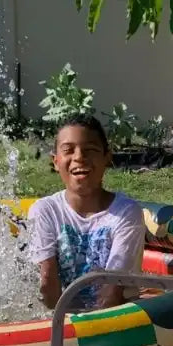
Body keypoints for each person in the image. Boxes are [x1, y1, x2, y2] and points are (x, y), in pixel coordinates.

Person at [27, 114, 145, 311]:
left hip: (113, 317)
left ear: (107, 157)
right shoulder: (45, 211)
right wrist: (58, 325)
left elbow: (112, 290)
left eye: (90, 150)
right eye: (68, 150)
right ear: (55, 161)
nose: (79, 157)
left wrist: (87, 328)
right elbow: (47, 284)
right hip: (61, 320)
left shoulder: (126, 213)